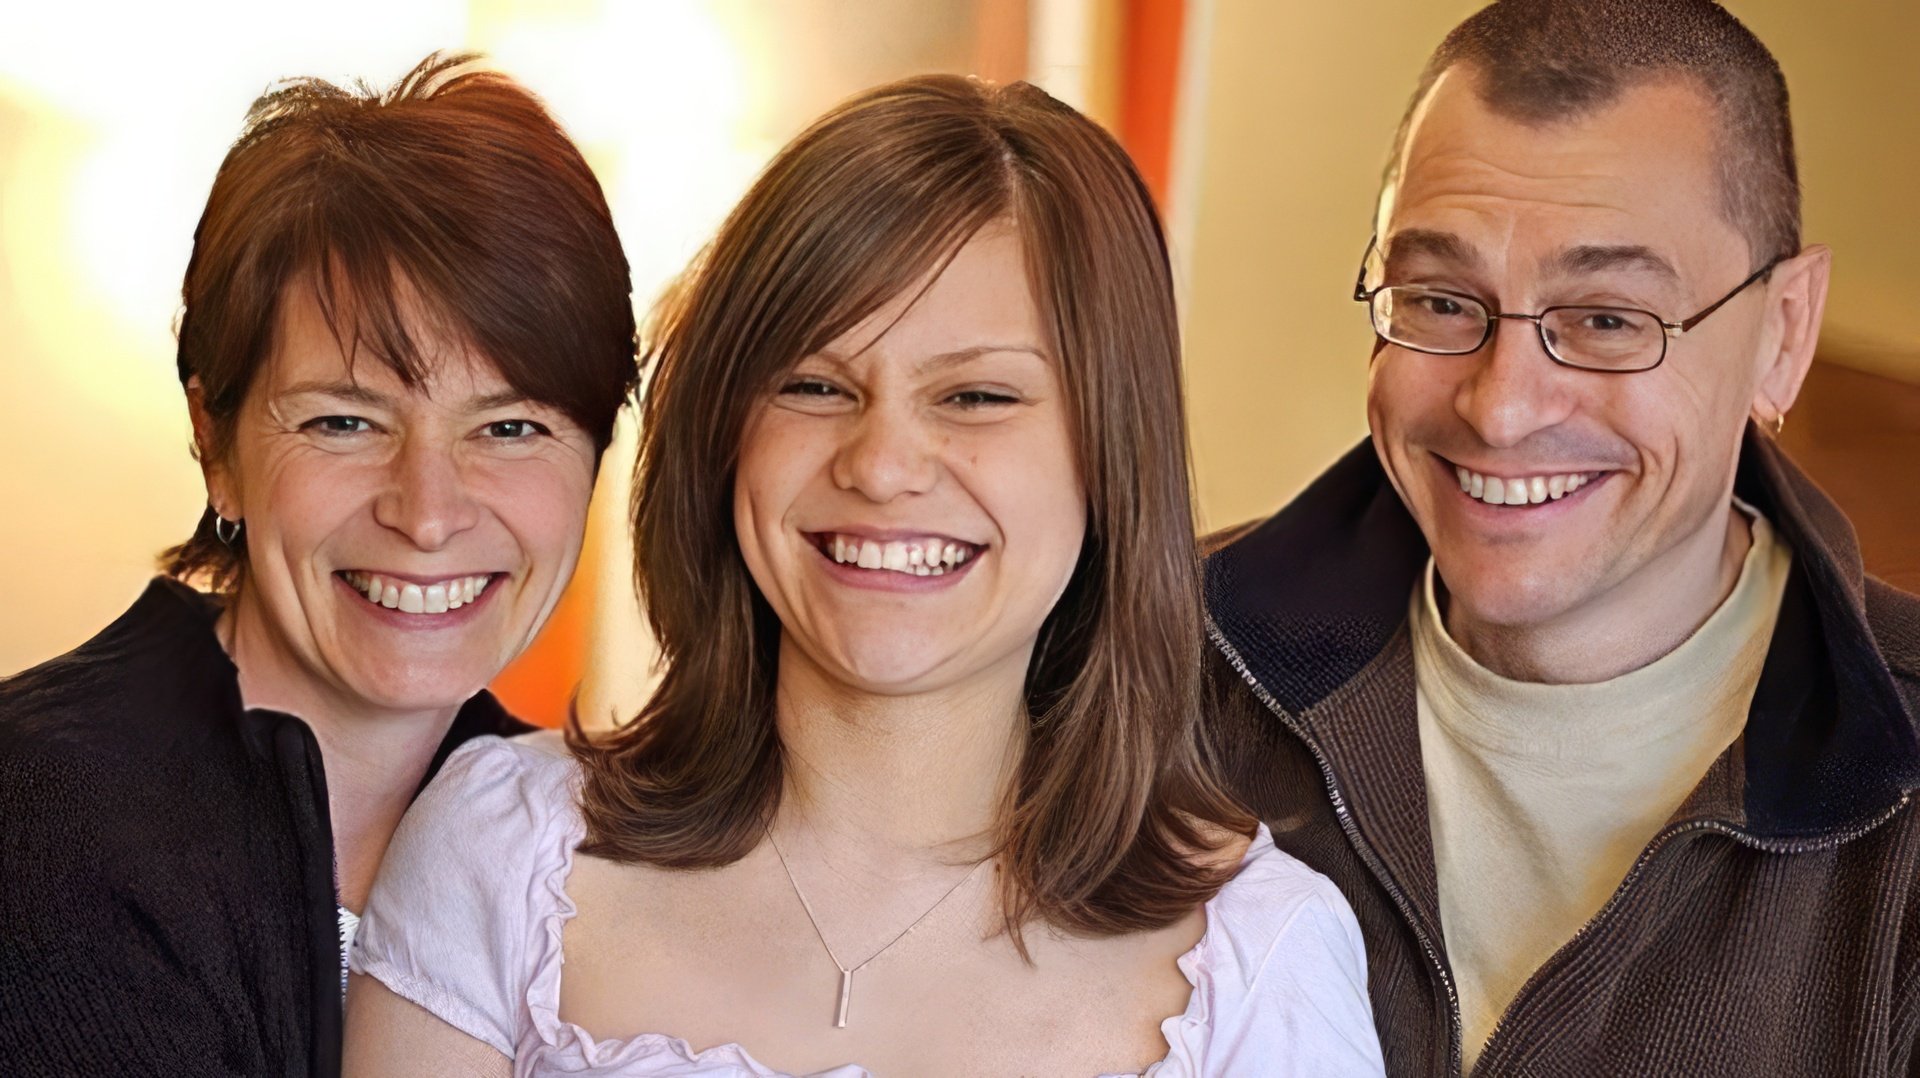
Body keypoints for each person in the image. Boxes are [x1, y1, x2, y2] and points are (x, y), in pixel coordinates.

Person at [343, 74, 1386, 1076]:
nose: (882, 464)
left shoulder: (1263, 962)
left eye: (976, 397)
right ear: (725, 434)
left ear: (1112, 456)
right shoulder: (504, 848)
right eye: (813, 384)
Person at [1202, 1, 1920, 1075]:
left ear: (1782, 335)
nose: (1502, 408)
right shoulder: (1151, 658)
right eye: (1443, 301)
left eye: (1607, 319)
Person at [0, 54, 636, 1075]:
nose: (427, 513)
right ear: (217, 443)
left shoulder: (594, 839)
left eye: (511, 426)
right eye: (344, 420)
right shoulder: (39, 812)